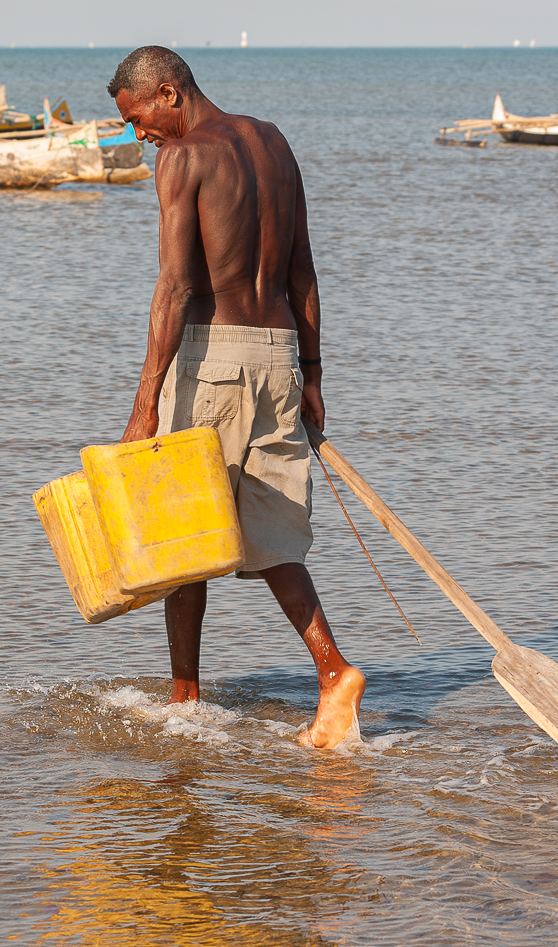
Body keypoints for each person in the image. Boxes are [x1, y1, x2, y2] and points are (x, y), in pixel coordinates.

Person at [107, 45, 364, 749]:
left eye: (138, 118)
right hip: (278, 357)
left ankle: (185, 698)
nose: (139, 135)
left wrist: (145, 403)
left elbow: (176, 287)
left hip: (213, 359)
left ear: (167, 92)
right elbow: (304, 270)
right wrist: (312, 375)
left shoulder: (184, 159)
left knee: (187, 534)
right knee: (271, 533)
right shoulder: (272, 143)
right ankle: (333, 673)